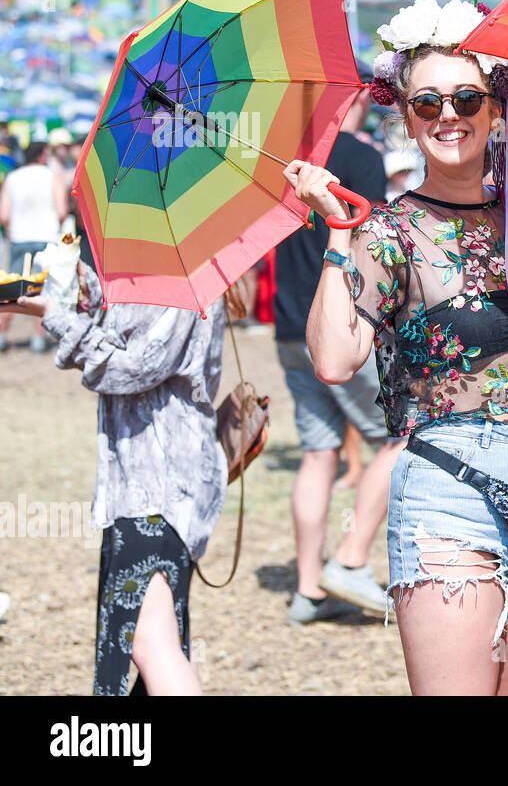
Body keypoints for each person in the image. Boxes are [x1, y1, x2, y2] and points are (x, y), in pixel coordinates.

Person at [284, 0, 508, 695]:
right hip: (449, 489)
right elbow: (335, 359)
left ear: (495, 107)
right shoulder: (390, 231)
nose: (448, 115)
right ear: (406, 114)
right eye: (427, 102)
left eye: (465, 97)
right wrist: (337, 235)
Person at [3, 263, 227, 695]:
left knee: (147, 640)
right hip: (141, 480)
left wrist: (55, 314)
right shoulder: (160, 271)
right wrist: (85, 292)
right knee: (161, 636)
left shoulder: (180, 275)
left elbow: (133, 366)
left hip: (161, 483)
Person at [274, 70, 403, 624]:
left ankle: (308, 589)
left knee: (318, 452)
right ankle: (350, 561)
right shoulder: (359, 156)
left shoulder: (286, 166)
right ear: (350, 97)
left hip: (286, 325)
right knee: (400, 436)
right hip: (342, 322)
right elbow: (368, 241)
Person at [0, 140, 68, 352]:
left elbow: (3, 215)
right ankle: (38, 339)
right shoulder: (51, 176)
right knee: (42, 290)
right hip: (46, 237)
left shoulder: (12, 177)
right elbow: (62, 211)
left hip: (20, 238)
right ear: (42, 155)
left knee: (12, 288)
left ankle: (1, 335)